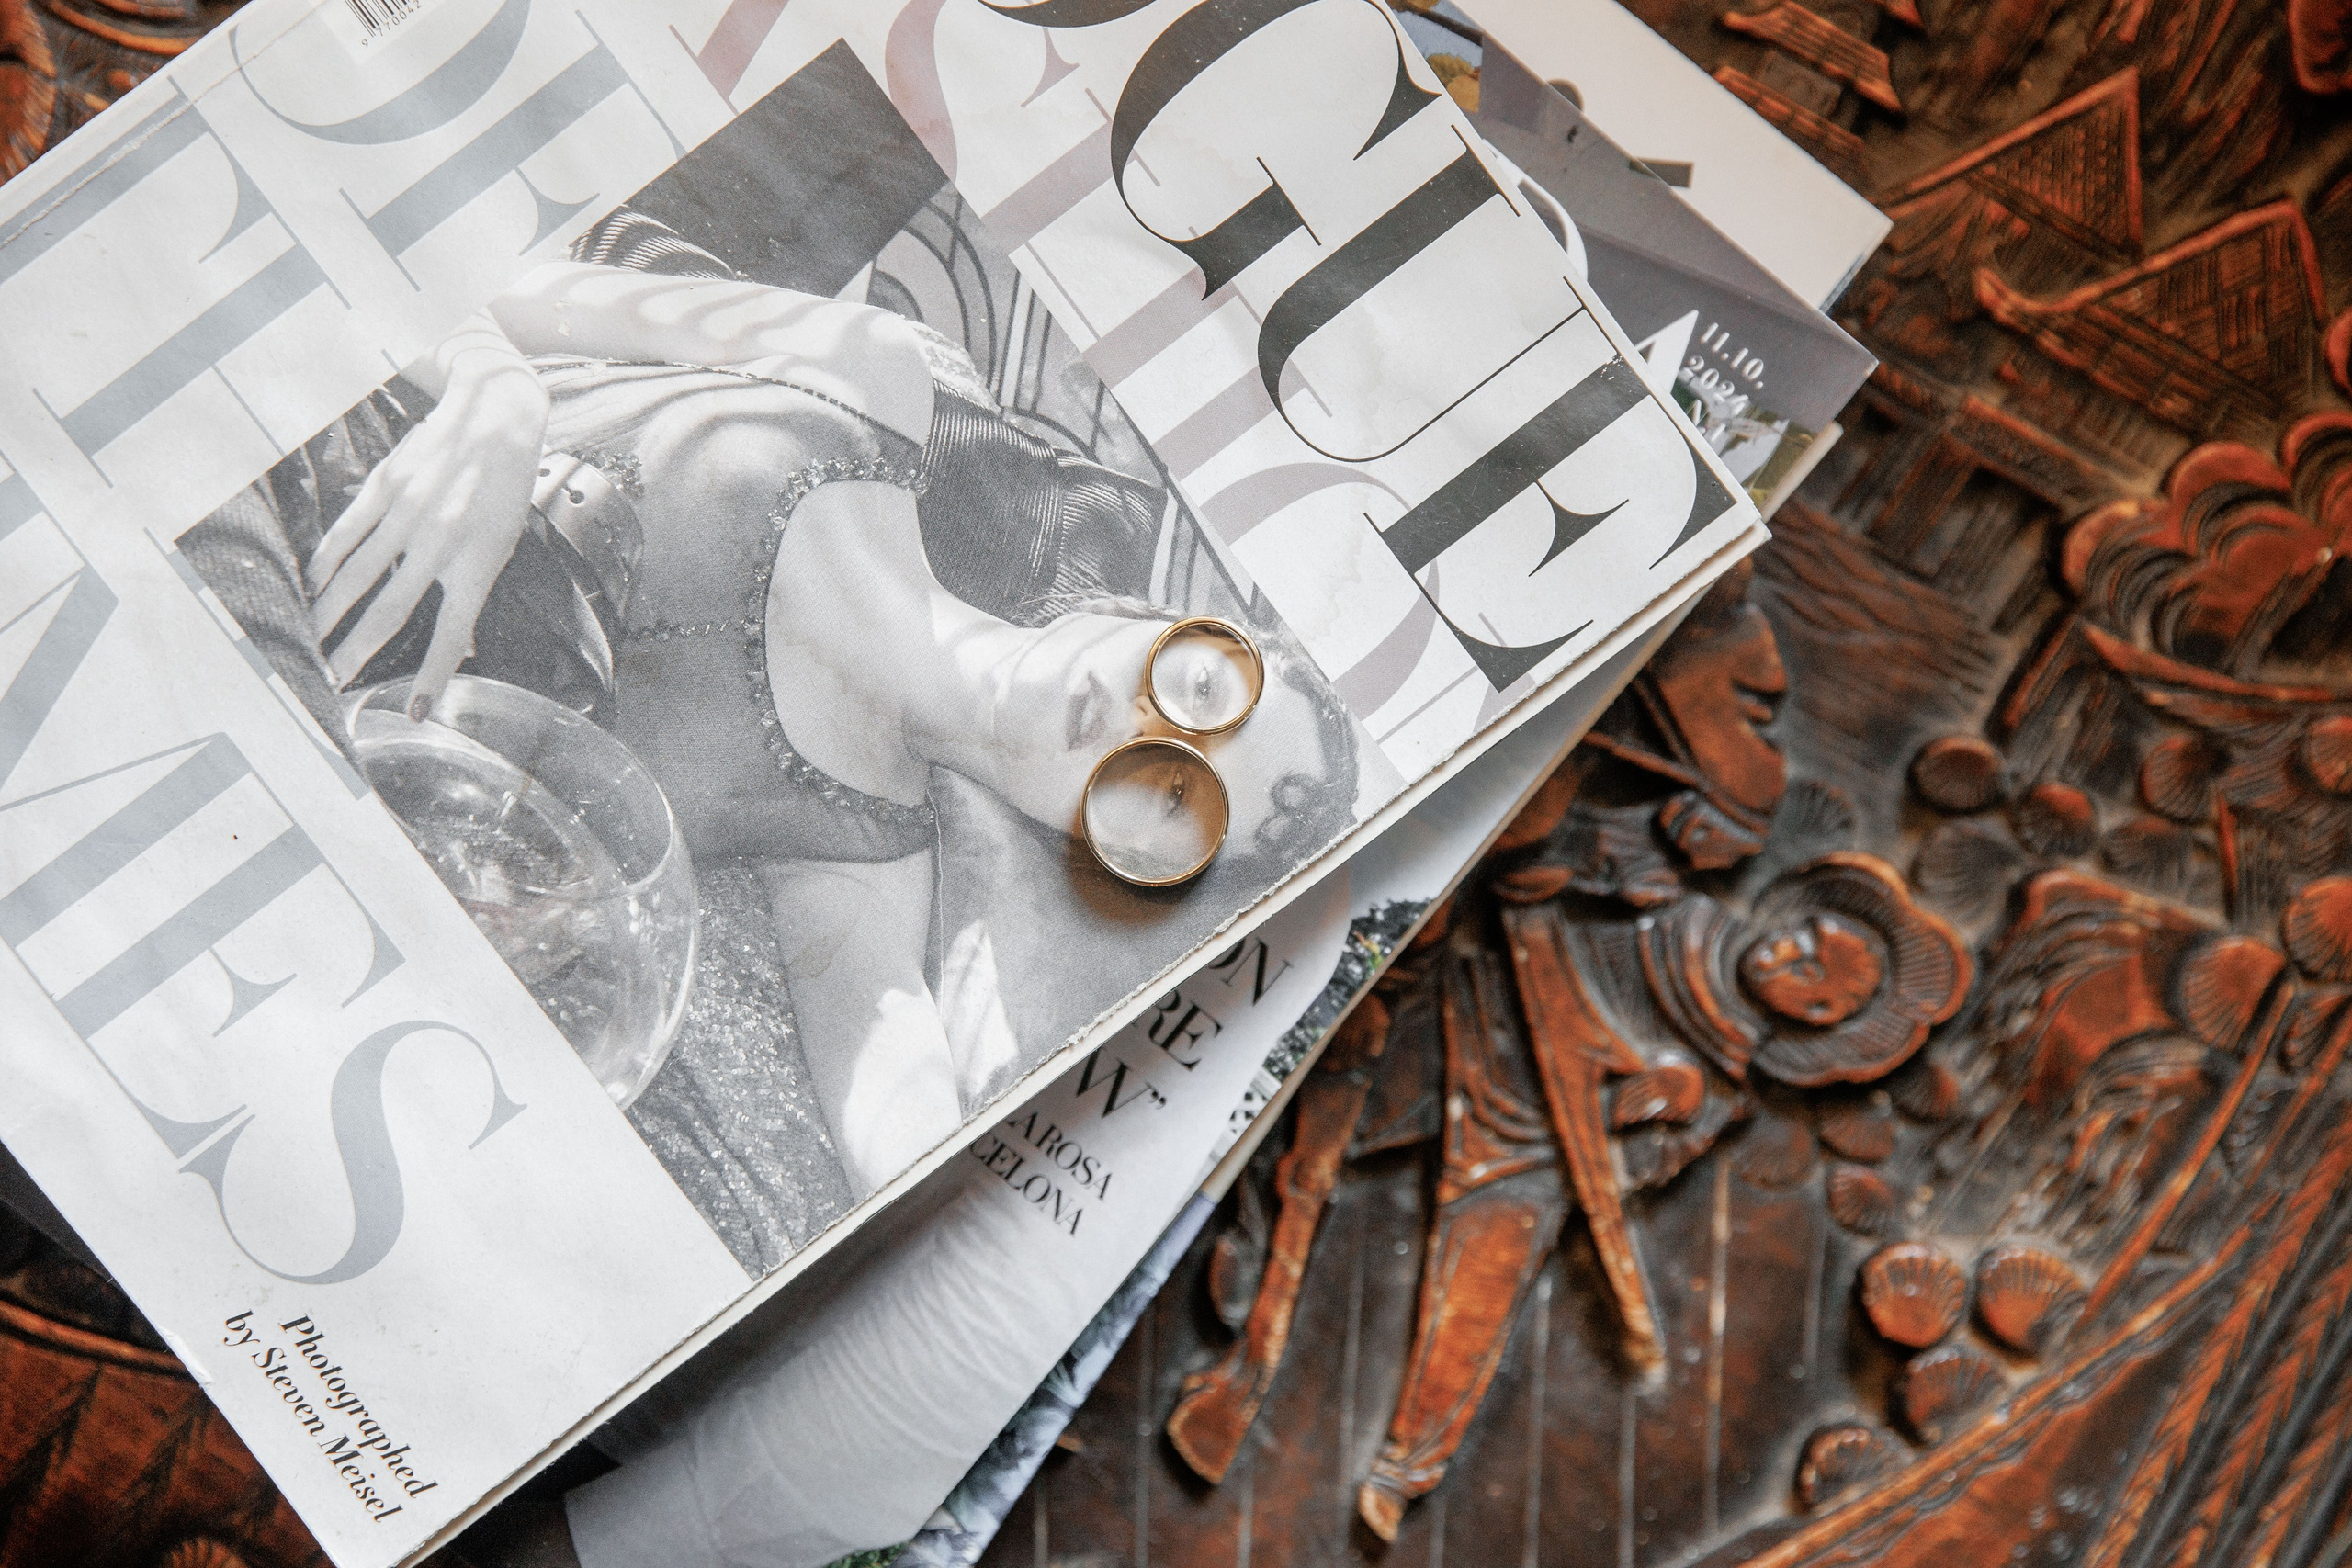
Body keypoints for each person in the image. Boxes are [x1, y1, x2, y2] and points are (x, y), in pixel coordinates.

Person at [300, 254, 1360, 1199]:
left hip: (315, 728)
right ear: (1162, 622)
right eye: (1204, 689)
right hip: (309, 416)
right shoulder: (869, 374)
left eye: (1174, 795)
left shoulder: (859, 864)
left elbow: (909, 1153)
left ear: (1116, 858)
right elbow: (448, 273)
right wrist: (496, 392)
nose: (1150, 725)